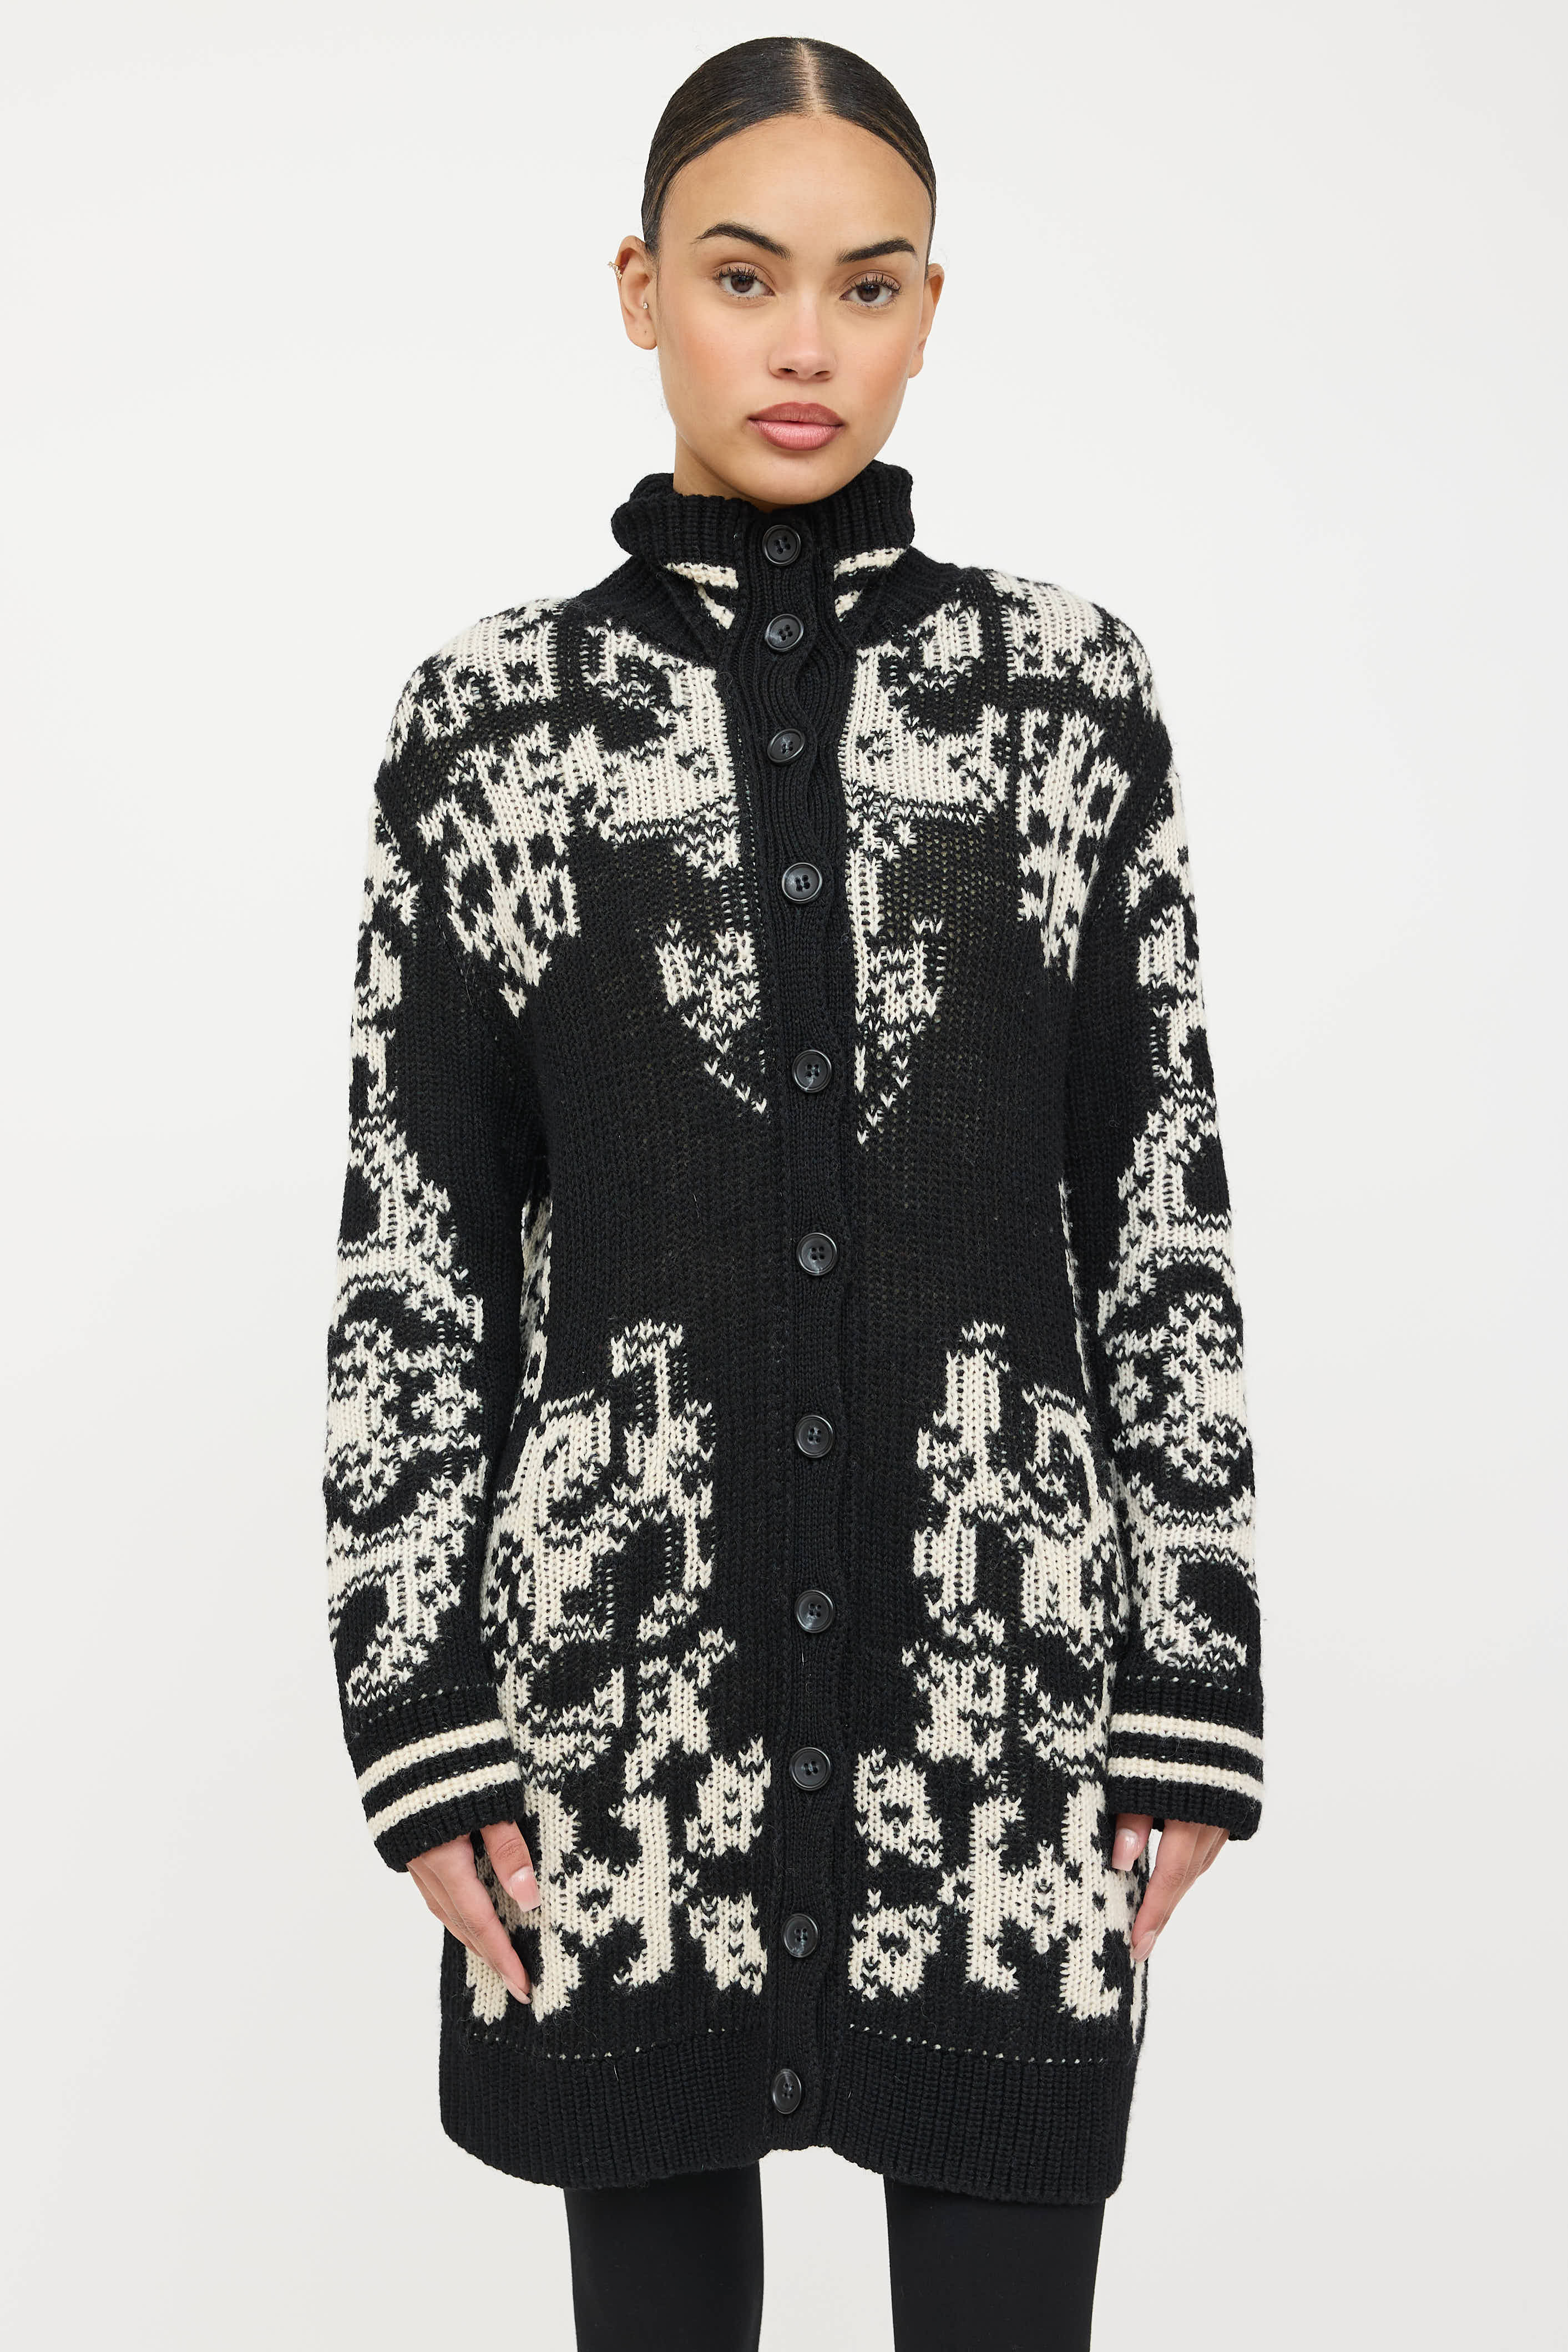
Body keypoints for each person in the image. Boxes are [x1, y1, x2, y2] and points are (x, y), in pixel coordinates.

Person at [322, 34, 1263, 2352]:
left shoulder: (1068, 702)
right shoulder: (487, 727)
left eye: (868, 284)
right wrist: (417, 1712)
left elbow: (1157, 1207)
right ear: (638, 291)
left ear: (931, 307)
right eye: (743, 278)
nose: (805, 343)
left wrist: (1190, 1673)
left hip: (1004, 1696)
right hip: (613, 1702)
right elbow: (415, 1258)